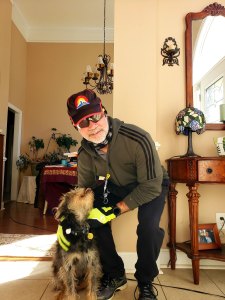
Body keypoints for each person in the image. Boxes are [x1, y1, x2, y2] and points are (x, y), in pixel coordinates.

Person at [57, 89, 169, 300]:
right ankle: (115, 275)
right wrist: (72, 219)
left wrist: (115, 210)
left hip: (152, 183)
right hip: (117, 185)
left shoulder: (137, 137)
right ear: (76, 127)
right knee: (89, 218)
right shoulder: (84, 153)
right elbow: (85, 191)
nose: (92, 126)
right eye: (83, 123)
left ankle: (145, 282)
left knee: (149, 228)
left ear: (104, 111)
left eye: (95, 117)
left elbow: (151, 184)